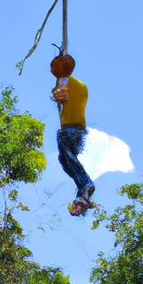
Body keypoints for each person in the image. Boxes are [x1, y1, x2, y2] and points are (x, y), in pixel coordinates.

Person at [51, 54, 96, 217]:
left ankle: (86, 183)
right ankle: (83, 192)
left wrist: (57, 93)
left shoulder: (66, 82)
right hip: (76, 128)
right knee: (64, 159)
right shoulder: (81, 86)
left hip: (70, 128)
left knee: (69, 157)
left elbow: (61, 94)